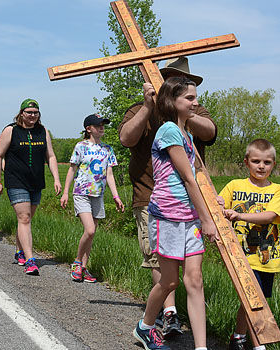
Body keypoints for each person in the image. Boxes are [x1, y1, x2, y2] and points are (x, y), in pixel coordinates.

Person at [118, 56, 217, 335]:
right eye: (171, 78)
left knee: (189, 273)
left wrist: (184, 112)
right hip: (153, 198)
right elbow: (126, 138)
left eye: (186, 83)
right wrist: (150, 107)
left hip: (190, 201)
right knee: (161, 266)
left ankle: (183, 329)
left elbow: (209, 133)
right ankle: (168, 314)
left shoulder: (192, 110)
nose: (181, 85)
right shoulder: (142, 109)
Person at [216, 139, 280, 350]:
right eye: (256, 161)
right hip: (240, 254)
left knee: (257, 299)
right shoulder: (234, 186)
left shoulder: (278, 190)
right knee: (252, 299)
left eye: (266, 162)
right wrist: (219, 204)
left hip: (266, 255)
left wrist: (239, 215)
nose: (261, 166)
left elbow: (270, 216)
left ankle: (238, 336)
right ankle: (258, 344)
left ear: (274, 164)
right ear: (246, 162)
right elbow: (218, 204)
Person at [0, 98, 61, 275]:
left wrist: (56, 179)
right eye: (29, 112)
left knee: (27, 219)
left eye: (35, 112)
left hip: (36, 181)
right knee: (24, 218)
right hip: (16, 180)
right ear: (21, 113)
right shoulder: (11, 130)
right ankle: (31, 260)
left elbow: (51, 156)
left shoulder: (42, 131)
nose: (32, 115)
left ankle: (19, 250)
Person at [60, 113, 124, 283]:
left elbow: (109, 174)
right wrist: (66, 192)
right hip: (81, 193)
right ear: (88, 129)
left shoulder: (108, 149)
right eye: (98, 125)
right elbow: (72, 170)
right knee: (89, 230)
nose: (102, 127)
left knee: (92, 234)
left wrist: (116, 196)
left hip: (98, 195)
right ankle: (77, 263)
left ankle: (84, 267)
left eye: (103, 124)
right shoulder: (80, 147)